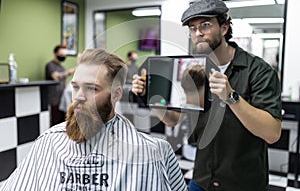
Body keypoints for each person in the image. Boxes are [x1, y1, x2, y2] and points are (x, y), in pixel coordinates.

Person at [131, 0, 282, 190]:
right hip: (202, 180)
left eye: (205, 25)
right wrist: (152, 97)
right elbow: (172, 119)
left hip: (243, 184)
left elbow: (272, 133)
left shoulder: (258, 70)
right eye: (192, 29)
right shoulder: (194, 68)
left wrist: (231, 97)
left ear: (224, 27)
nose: (198, 33)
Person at [1, 48, 187, 191]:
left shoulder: (153, 151)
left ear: (115, 94)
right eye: (75, 87)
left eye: (91, 88)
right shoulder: (48, 141)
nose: (78, 97)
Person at [45, 45, 75, 126]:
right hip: (53, 100)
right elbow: (56, 77)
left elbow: (63, 84)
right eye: (61, 54)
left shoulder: (62, 68)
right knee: (54, 123)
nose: (63, 56)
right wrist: (69, 72)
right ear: (55, 54)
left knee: (62, 124)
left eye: (64, 55)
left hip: (63, 101)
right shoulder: (50, 65)